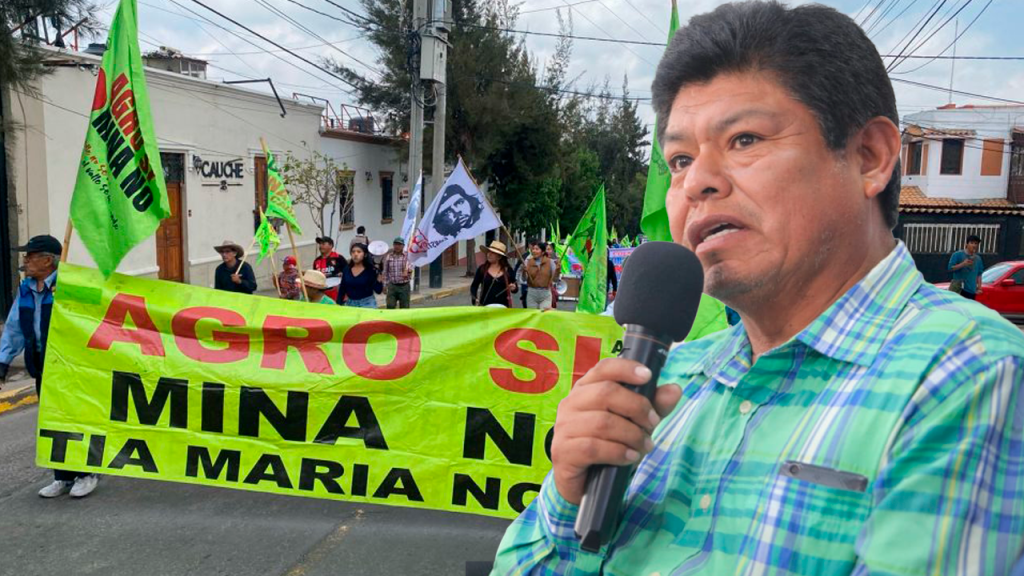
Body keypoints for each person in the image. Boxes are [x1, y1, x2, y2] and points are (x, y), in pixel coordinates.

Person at [493, 3, 1024, 575]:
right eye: (679, 159)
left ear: (869, 157)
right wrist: (568, 496)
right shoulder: (670, 381)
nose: (696, 182)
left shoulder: (968, 374)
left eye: (744, 139)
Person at [0, 235, 99, 498]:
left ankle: (87, 473)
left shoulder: (71, 286)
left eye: (31, 256)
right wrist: (3, 361)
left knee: (75, 420)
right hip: (43, 367)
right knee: (52, 421)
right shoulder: (26, 289)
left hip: (71, 367)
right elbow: (14, 328)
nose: (25, 260)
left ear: (47, 260)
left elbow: (94, 321)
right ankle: (63, 476)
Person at [471, 241, 517, 307]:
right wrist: (475, 298)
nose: (489, 254)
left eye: (492, 253)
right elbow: (474, 286)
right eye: (488, 252)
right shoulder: (482, 269)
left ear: (499, 257)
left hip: (504, 308)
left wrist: (513, 288)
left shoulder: (508, 270)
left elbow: (515, 288)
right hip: (485, 307)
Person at [338, 243, 383, 308]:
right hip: (350, 304)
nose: (355, 254)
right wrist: (338, 303)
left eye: (359, 252)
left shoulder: (371, 270)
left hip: (367, 304)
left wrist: (379, 281)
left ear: (365, 255)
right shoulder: (346, 269)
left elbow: (378, 290)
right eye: (353, 252)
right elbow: (342, 288)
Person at [948, 234, 984, 300]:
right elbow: (950, 268)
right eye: (971, 243)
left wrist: (979, 288)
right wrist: (963, 264)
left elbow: (979, 274)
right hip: (958, 289)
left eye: (976, 243)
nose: (974, 245)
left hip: (971, 290)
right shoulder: (957, 255)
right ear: (967, 244)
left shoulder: (978, 259)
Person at [523, 240, 556, 310]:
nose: (534, 251)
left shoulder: (551, 262)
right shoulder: (527, 262)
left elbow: (555, 279)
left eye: (537, 249)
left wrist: (558, 270)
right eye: (533, 249)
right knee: (532, 315)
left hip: (545, 294)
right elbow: (523, 279)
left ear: (543, 252)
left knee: (543, 314)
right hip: (531, 293)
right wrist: (524, 271)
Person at [382, 237, 413, 309]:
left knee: (404, 307)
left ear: (403, 246)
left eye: (399, 244)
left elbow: (412, 268)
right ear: (393, 245)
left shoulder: (408, 256)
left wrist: (408, 271)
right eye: (396, 244)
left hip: (404, 286)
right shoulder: (389, 256)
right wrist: (384, 285)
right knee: (390, 306)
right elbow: (386, 272)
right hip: (392, 286)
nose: (397, 246)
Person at [313, 236, 345, 302]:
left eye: (323, 244)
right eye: (320, 244)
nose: (320, 246)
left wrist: (342, 274)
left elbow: (348, 272)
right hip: (322, 294)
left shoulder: (338, 258)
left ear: (331, 245)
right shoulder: (316, 261)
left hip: (337, 293)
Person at [545, 243, 561, 309]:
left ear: (552, 250)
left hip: (549, 291)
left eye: (549, 249)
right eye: (545, 249)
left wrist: (557, 270)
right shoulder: (537, 261)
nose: (547, 251)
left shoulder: (554, 262)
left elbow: (555, 280)